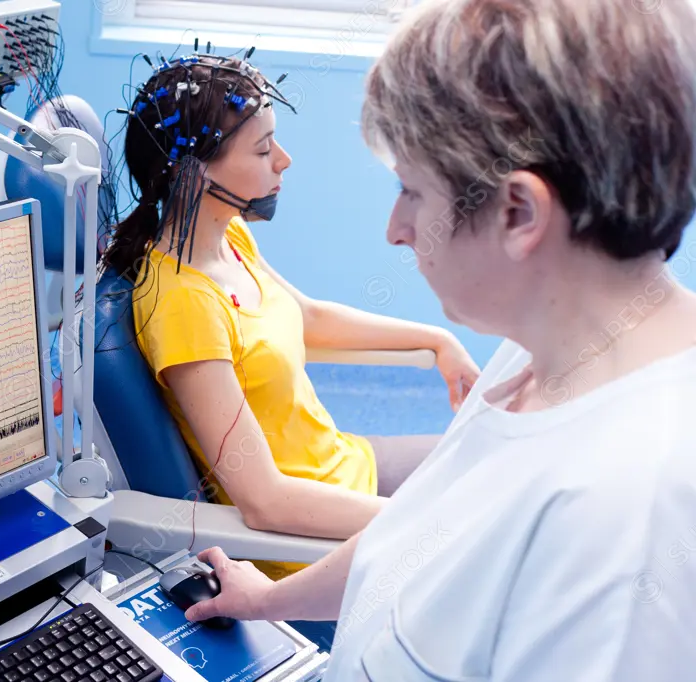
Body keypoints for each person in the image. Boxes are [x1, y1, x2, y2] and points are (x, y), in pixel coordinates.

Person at [183, 0, 696, 677]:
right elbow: (415, 536)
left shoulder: (632, 521)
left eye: (411, 191)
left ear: (518, 212)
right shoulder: (540, 352)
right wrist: (268, 597)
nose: (396, 229)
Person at [100, 53, 480, 581]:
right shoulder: (183, 303)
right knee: (498, 541)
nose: (284, 160)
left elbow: (309, 316)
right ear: (191, 173)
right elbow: (265, 501)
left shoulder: (227, 235)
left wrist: (437, 339)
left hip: (348, 467)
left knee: (501, 464)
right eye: (262, 149)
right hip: (307, 539)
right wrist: (420, 522)